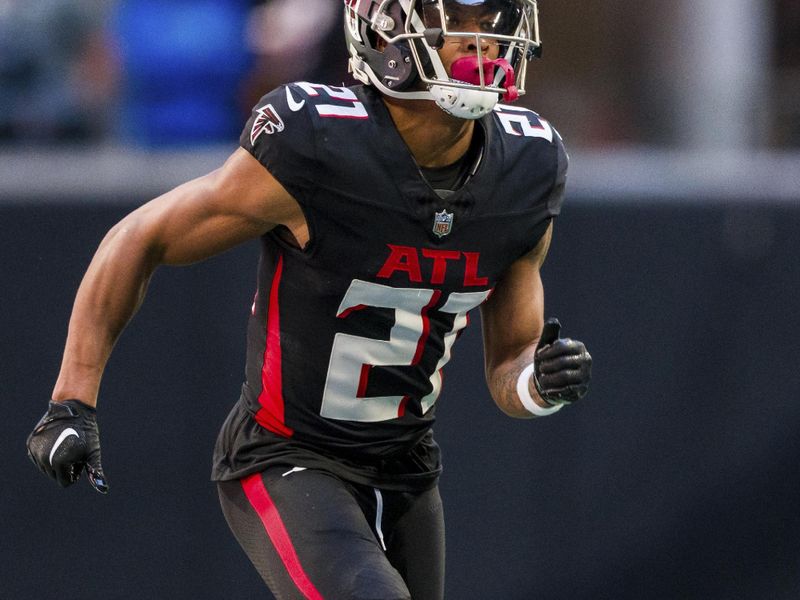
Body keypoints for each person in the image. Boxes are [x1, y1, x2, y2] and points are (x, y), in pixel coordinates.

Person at [26, 1, 592, 598]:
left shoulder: (527, 166)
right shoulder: (318, 140)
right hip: (285, 456)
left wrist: (539, 383)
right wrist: (72, 401)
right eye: (454, 18)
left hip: (408, 470)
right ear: (387, 31)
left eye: (489, 21)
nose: (479, 41)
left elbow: (511, 364)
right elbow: (141, 237)